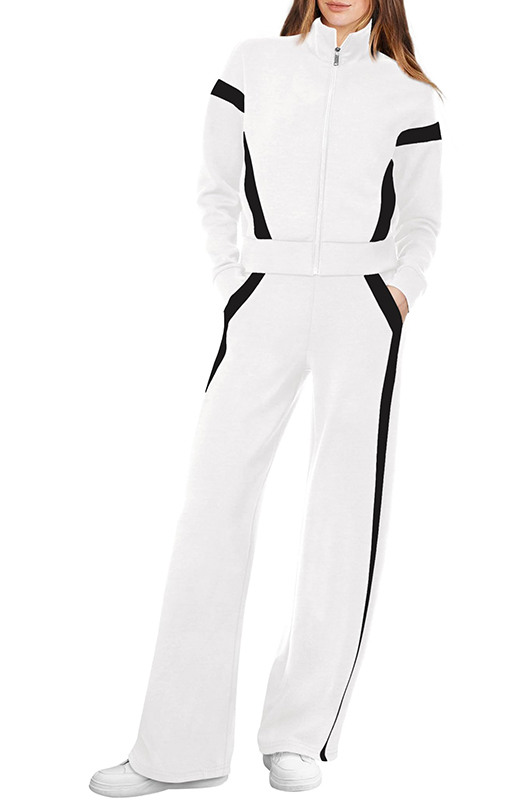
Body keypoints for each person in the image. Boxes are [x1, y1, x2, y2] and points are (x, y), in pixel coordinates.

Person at [89, 0, 443, 794]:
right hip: (265, 295)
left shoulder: (408, 93)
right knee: (211, 508)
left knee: (342, 517)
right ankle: (174, 752)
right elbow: (215, 187)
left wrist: (398, 293)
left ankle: (299, 736)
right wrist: (233, 281)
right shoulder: (253, 63)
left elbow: (423, 218)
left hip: (360, 305)